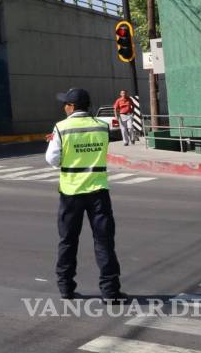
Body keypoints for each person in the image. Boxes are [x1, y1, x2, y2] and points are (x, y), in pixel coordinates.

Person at [46, 88, 126, 302]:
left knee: (68, 241)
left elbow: (52, 159)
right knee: (104, 241)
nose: (64, 107)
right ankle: (110, 291)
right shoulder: (102, 126)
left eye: (66, 104)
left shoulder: (61, 128)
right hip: (98, 191)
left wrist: (65, 155)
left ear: (72, 107)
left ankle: (66, 288)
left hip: (71, 192)